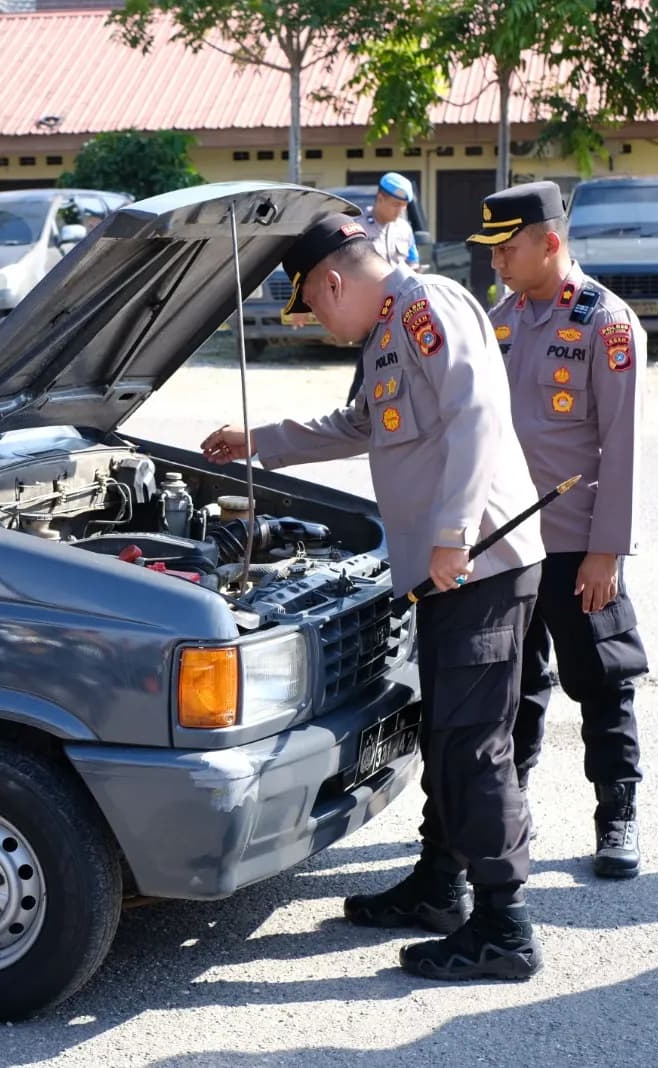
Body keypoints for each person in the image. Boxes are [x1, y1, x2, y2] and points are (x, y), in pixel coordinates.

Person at [201, 213, 547, 981]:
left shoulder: (428, 307)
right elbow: (363, 422)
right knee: (448, 733)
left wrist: (454, 533)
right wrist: (260, 439)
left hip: (478, 562)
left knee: (472, 742)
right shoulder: (389, 331)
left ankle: (505, 925)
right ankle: (438, 887)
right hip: (450, 569)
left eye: (316, 309)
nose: (321, 325)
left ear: (332, 280)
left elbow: (477, 412)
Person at [470, 181, 648, 878]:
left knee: (603, 680)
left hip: (578, 544)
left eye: (507, 250)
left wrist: (606, 551)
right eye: (491, 254)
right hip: (507, 541)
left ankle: (618, 812)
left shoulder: (606, 323)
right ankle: (509, 811)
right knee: (513, 685)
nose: (497, 265)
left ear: (550, 243)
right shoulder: (500, 319)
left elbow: (623, 447)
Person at [345, 173, 420, 402]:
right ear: (380, 198)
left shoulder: (404, 229)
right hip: (371, 310)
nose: (399, 211)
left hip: (400, 309)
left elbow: (412, 263)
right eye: (396, 204)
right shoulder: (357, 227)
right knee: (369, 364)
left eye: (404, 206)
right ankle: (353, 414)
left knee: (400, 365)